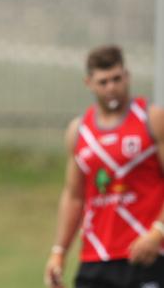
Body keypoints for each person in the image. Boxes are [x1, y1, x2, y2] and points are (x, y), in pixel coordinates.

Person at [44, 45, 164, 288]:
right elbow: (74, 196)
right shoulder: (79, 132)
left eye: (117, 79)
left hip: (146, 253)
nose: (111, 88)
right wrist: (59, 252)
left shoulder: (151, 119)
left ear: (127, 76)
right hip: (96, 257)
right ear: (88, 82)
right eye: (103, 82)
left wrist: (158, 232)